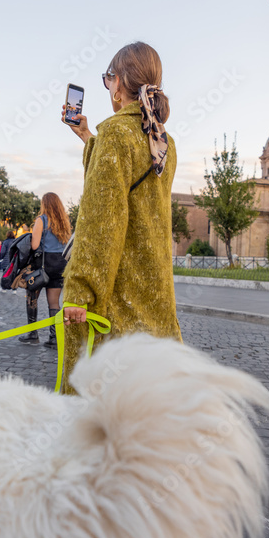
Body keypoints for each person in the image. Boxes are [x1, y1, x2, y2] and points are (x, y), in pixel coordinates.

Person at [58, 41, 180, 393]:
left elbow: (101, 219)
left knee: (99, 403)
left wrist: (80, 291)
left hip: (117, 292)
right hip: (154, 290)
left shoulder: (116, 134)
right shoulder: (162, 141)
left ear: (120, 81)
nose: (108, 86)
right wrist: (87, 137)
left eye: (108, 78)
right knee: (148, 398)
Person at [18, 194, 72, 347]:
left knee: (32, 297)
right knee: (54, 302)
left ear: (44, 204)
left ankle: (33, 334)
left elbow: (35, 245)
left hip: (43, 264)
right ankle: (54, 338)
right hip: (60, 264)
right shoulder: (64, 221)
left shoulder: (41, 220)